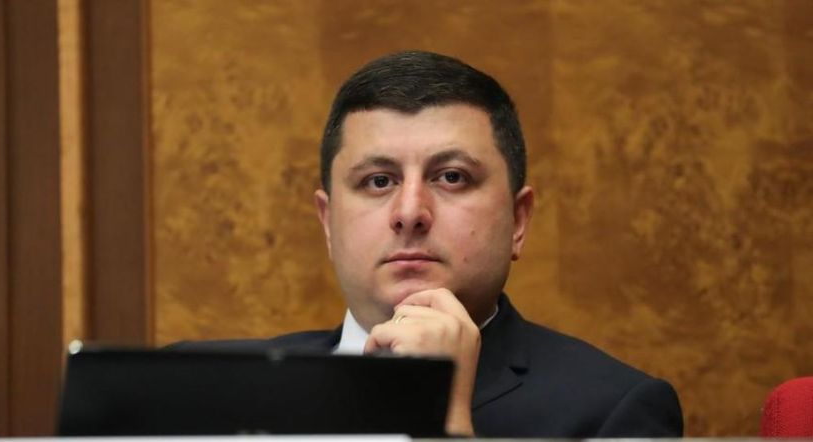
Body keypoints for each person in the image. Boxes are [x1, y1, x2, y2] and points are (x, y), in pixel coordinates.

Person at [178, 50, 683, 437]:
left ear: (518, 220)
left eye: (452, 177)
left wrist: (443, 418)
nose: (409, 213)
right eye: (378, 181)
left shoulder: (613, 412)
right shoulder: (197, 392)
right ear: (328, 223)